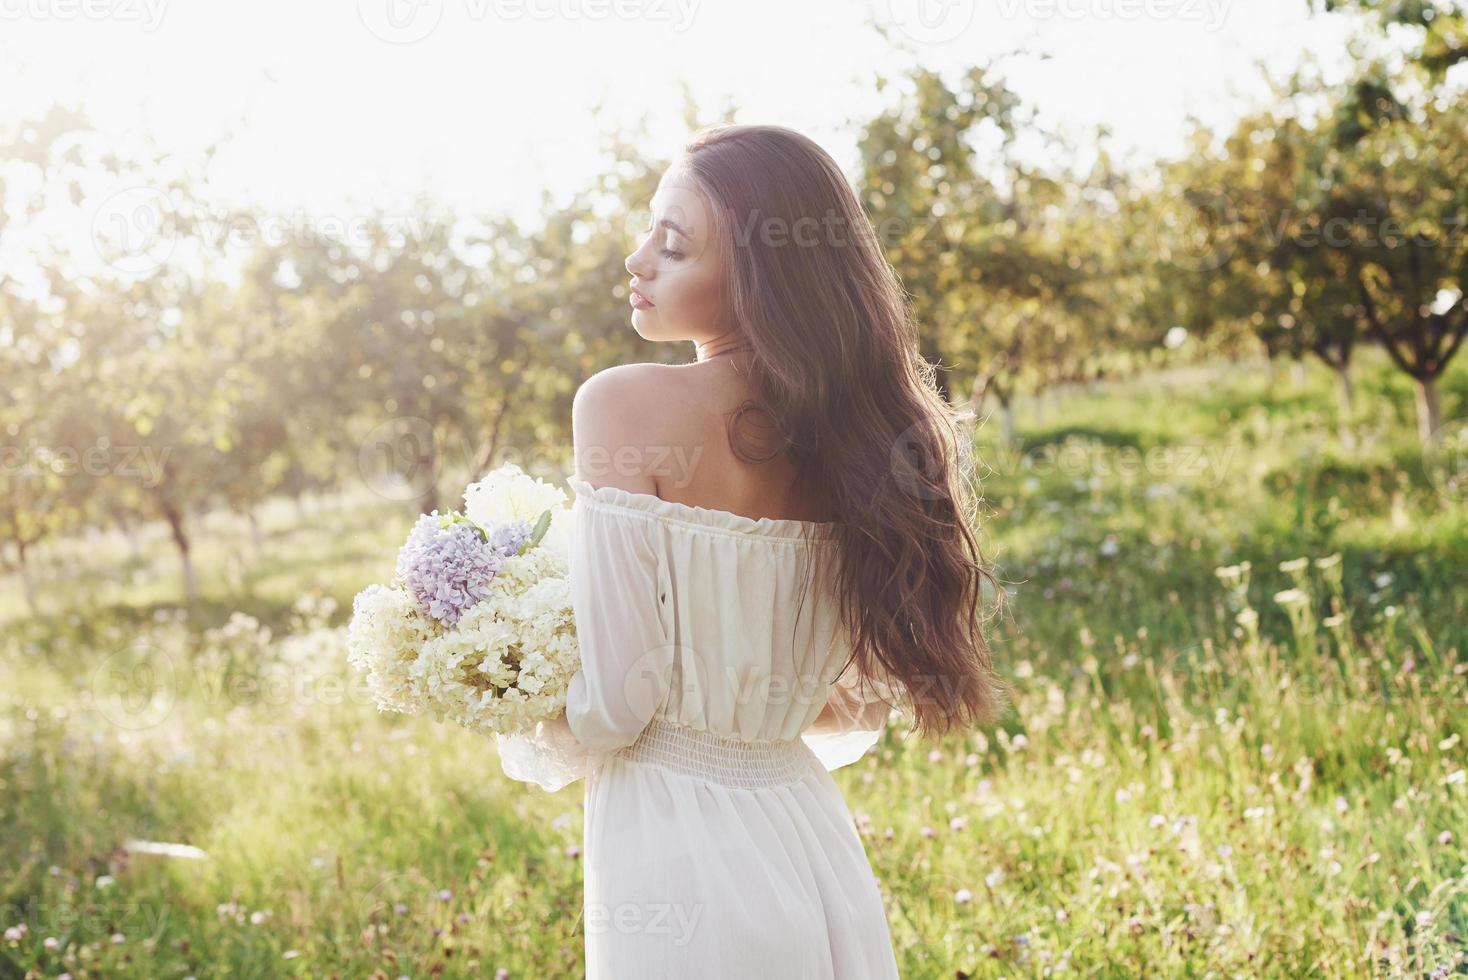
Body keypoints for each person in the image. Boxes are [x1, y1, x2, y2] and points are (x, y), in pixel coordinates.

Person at [496, 123, 1012, 979]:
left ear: (762, 273)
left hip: (669, 839)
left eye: (672, 244)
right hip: (805, 835)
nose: (636, 262)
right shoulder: (859, 439)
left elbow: (618, 709)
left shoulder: (622, 406)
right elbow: (847, 703)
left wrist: (510, 679)